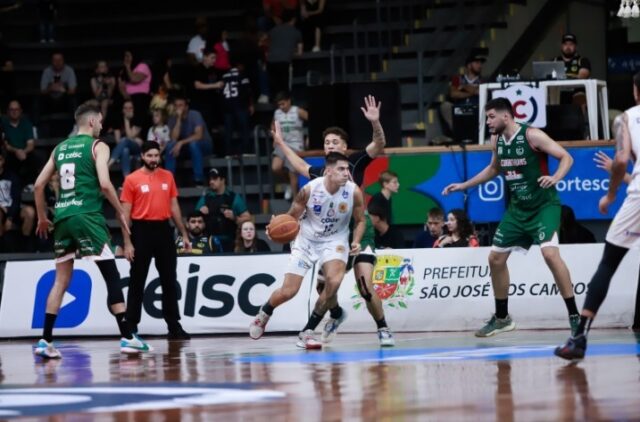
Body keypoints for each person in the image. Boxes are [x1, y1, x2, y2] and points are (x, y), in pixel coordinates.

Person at [442, 97, 579, 337]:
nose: (488, 122)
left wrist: (556, 177)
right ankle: (502, 318)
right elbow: (494, 169)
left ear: (507, 116)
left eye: (491, 117)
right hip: (518, 209)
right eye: (487, 118)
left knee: (549, 254)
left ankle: (575, 316)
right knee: (495, 259)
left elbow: (567, 157)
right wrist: (464, 185)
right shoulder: (496, 140)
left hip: (544, 206)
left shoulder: (532, 135)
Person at [269, 95, 395, 346]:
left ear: (345, 147)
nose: (329, 145)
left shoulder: (356, 161)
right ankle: (336, 314)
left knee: (364, 286)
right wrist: (281, 144)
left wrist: (375, 123)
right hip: (331, 237)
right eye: (326, 142)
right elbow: (299, 164)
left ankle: (383, 328)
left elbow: (379, 143)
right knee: (322, 289)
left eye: (335, 141)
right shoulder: (321, 173)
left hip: (359, 230)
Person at [32, 102, 152, 358]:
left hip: (62, 218)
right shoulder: (98, 146)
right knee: (111, 275)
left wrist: (43, 218)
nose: (101, 125)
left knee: (61, 280)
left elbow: (38, 185)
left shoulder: (59, 148)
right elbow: (106, 184)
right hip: (87, 216)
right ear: (90, 122)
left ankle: (45, 340)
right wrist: (120, 211)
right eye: (99, 121)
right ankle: (128, 336)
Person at [555, 72, 640, 361]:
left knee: (609, 263)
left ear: (635, 91)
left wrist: (611, 194)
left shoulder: (626, 118)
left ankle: (579, 338)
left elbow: (620, 159)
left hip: (638, 201)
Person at [249, 152, 366, 349]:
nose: (347, 173)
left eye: (347, 169)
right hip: (307, 240)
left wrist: (356, 240)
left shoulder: (353, 191)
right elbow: (291, 218)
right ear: (328, 171)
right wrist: (275, 228)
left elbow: (361, 220)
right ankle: (265, 312)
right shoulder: (309, 190)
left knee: (334, 281)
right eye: (341, 169)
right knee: (289, 291)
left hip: (335, 240)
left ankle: (308, 331)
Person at [120, 141, 192, 340]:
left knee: (169, 279)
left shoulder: (168, 176)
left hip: (163, 230)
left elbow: (174, 207)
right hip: (141, 231)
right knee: (137, 280)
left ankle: (173, 325)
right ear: (142, 156)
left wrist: (184, 234)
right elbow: (125, 214)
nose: (154, 159)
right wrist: (127, 242)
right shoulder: (131, 180)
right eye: (150, 155)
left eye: (156, 155)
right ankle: (132, 326)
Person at [195, 168, 252, 252]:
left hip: (230, 241)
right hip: (209, 241)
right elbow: (193, 218)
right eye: (210, 179)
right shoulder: (205, 198)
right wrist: (200, 212)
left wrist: (235, 218)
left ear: (223, 180)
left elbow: (248, 218)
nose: (211, 182)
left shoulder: (233, 197)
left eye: (215, 179)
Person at [165, 95, 213, 187]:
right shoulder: (172, 118)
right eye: (176, 105)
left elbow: (198, 135)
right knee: (171, 145)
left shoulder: (195, 114)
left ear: (186, 107)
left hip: (204, 145)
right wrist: (178, 119)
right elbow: (173, 138)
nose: (178, 108)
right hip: (185, 148)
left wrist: (181, 142)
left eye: (181, 105)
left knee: (193, 144)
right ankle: (169, 181)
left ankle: (198, 179)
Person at [272, 90, 308, 200]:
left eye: (283, 103)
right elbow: (273, 125)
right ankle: (287, 184)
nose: (281, 106)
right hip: (283, 144)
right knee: (276, 167)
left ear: (289, 101)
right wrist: (275, 137)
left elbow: (315, 121)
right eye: (279, 105)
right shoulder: (277, 113)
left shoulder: (298, 111)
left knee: (293, 172)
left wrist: (308, 138)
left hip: (296, 145)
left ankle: (295, 199)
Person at [439, 54, 485, 139]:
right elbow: (453, 94)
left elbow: (479, 92)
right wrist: (472, 92)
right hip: (460, 108)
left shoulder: (483, 79)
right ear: (469, 65)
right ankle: (458, 133)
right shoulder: (457, 79)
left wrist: (463, 87)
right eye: (477, 63)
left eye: (481, 63)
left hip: (477, 108)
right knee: (445, 106)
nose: (480, 65)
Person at [1, 100, 41, 186]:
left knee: (34, 159)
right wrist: (16, 151)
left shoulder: (26, 123)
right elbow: (5, 145)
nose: (14, 111)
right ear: (7, 111)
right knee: (7, 160)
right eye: (11, 109)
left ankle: (30, 185)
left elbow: (30, 144)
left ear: (20, 111)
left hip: (25, 153)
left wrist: (23, 152)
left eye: (16, 109)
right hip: (10, 153)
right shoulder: (3, 123)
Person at [266, 9, 303, 97]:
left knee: (275, 88)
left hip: (270, 62)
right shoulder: (296, 32)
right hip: (284, 62)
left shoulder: (273, 30)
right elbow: (299, 52)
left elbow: (266, 43)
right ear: (293, 19)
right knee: (285, 90)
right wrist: (289, 51)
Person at [107, 100, 144, 177]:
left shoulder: (138, 119)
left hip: (137, 149)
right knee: (125, 150)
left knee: (125, 140)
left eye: (130, 108)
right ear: (122, 110)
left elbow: (130, 137)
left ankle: (109, 164)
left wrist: (126, 120)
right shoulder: (118, 121)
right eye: (126, 108)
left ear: (133, 109)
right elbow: (118, 141)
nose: (128, 110)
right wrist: (132, 139)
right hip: (125, 147)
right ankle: (126, 179)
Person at [554, 33, 591, 106]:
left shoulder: (582, 60)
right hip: (557, 91)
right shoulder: (554, 61)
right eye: (565, 44)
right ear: (562, 46)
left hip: (575, 91)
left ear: (575, 47)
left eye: (571, 44)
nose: (568, 47)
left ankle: (580, 117)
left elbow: (583, 75)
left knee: (580, 95)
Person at [90, 60, 116, 124]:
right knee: (86, 105)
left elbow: (110, 94)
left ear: (107, 68)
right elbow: (96, 95)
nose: (103, 68)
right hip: (98, 99)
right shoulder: (93, 79)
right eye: (101, 66)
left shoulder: (112, 79)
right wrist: (101, 83)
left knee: (104, 103)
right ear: (97, 69)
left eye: (104, 66)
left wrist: (109, 85)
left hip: (108, 99)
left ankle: (100, 123)